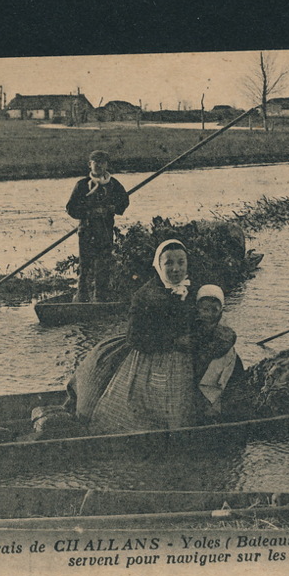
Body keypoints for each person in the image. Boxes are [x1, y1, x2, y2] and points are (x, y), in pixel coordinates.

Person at [81, 239, 199, 433]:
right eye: (168, 263)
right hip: (152, 358)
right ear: (158, 266)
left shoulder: (191, 290)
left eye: (181, 262)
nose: (176, 269)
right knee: (147, 407)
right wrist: (173, 341)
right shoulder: (145, 295)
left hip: (182, 358)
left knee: (181, 406)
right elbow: (135, 337)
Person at [65, 150, 130, 302]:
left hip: (105, 230)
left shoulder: (113, 185)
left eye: (102, 162)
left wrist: (112, 208)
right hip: (86, 230)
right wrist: (89, 212)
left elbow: (124, 201)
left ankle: (101, 297)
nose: (99, 165)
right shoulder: (81, 185)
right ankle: (82, 298)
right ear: (90, 165)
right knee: (85, 264)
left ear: (107, 165)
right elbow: (71, 208)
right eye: (96, 162)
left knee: (103, 265)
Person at [192, 285, 245, 419]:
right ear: (198, 310)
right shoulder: (195, 327)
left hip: (222, 369)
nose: (209, 315)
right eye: (205, 309)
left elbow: (217, 348)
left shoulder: (223, 332)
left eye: (214, 310)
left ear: (221, 310)